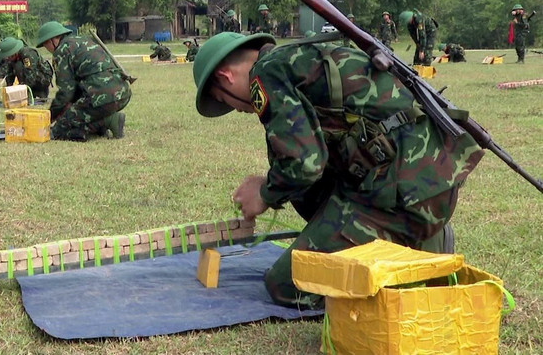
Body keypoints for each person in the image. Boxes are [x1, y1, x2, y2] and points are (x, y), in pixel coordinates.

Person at [191, 31, 483, 309]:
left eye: (223, 100)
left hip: (401, 198)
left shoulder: (266, 74)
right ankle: (409, 236)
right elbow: (313, 156)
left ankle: (413, 247)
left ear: (225, 77)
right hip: (424, 185)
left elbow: (305, 164)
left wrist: (264, 193)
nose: (239, 109)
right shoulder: (296, 59)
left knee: (288, 284)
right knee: (303, 193)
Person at [35, 21, 131, 141]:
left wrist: (50, 116)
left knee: (59, 130)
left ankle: (108, 121)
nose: (46, 48)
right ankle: (104, 124)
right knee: (77, 116)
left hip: (101, 95)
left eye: (45, 44)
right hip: (122, 92)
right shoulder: (82, 40)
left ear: (53, 40)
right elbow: (76, 89)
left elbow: (66, 93)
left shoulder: (62, 50)